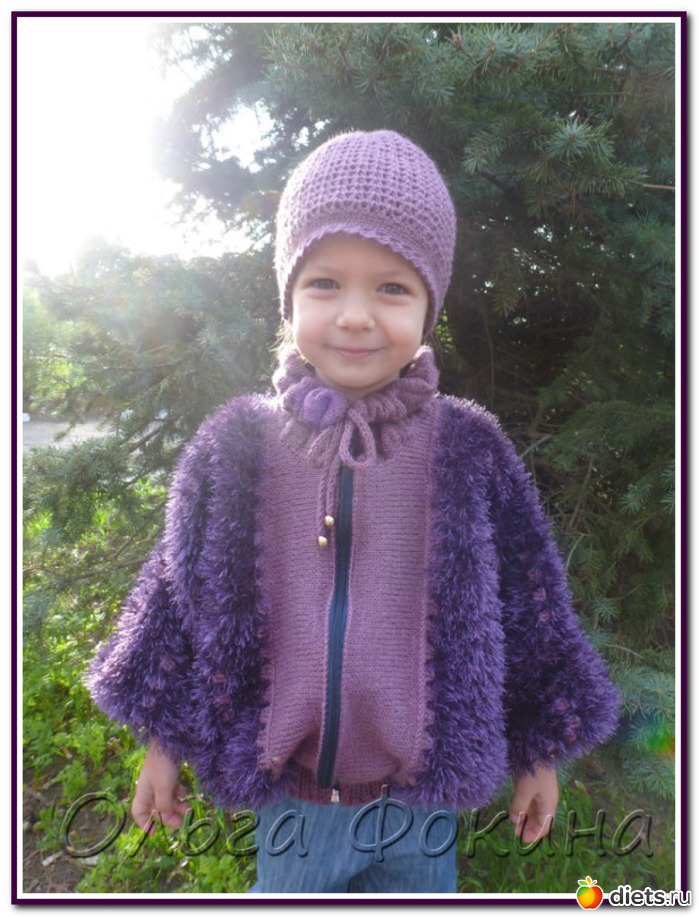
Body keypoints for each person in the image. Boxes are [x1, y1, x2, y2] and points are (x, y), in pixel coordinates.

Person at [87, 130, 620, 894]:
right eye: (325, 283)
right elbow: (177, 598)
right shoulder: (235, 449)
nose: (355, 315)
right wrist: (163, 741)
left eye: (392, 288)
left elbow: (529, 606)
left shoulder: (467, 450)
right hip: (296, 806)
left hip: (420, 803)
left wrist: (538, 749)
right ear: (289, 296)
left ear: (430, 305)